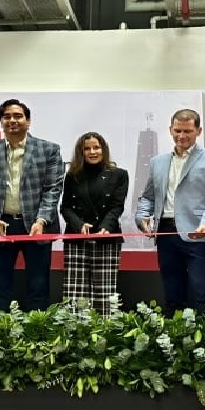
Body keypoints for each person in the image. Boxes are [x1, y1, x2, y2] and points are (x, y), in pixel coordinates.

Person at [0, 99, 65, 311]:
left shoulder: (48, 149)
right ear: (1, 122)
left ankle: (37, 329)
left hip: (37, 226)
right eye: (7, 117)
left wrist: (41, 220)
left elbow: (53, 189)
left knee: (38, 285)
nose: (12, 120)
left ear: (28, 121)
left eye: (18, 116)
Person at [136, 108, 205, 315]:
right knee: (173, 294)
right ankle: (175, 334)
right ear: (170, 130)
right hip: (165, 234)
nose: (181, 136)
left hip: (198, 233)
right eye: (177, 130)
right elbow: (148, 197)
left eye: (187, 131)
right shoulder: (157, 161)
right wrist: (141, 217)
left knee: (203, 294)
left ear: (199, 131)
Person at [60, 132, 130, 315]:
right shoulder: (72, 175)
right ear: (81, 152)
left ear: (103, 149)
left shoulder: (119, 175)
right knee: (74, 296)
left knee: (105, 295)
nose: (92, 152)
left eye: (96, 147)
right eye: (87, 149)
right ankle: (75, 331)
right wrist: (79, 225)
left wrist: (105, 227)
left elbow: (117, 206)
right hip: (77, 239)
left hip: (106, 238)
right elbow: (65, 207)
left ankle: (104, 331)